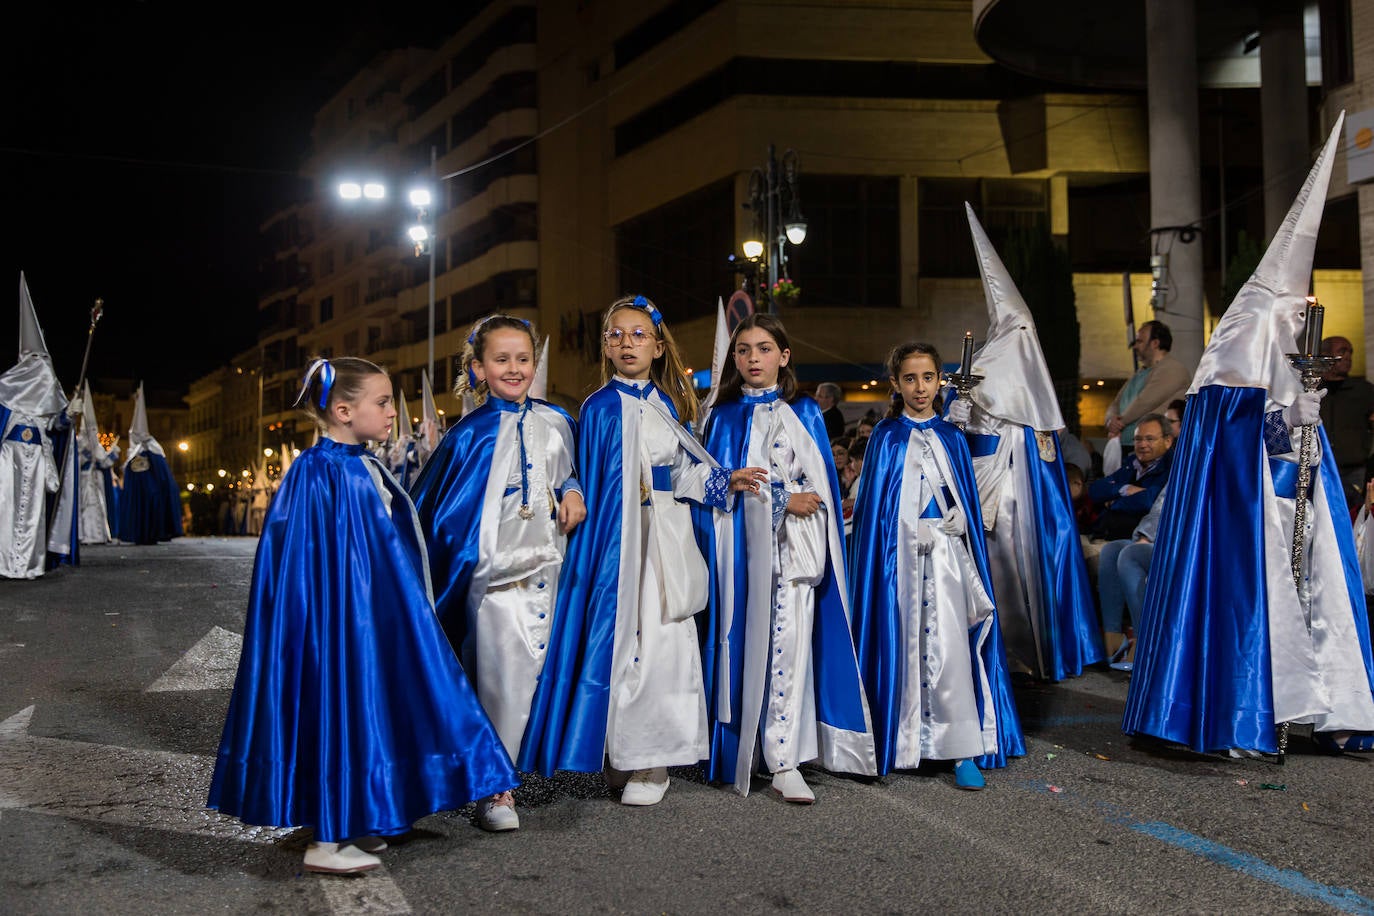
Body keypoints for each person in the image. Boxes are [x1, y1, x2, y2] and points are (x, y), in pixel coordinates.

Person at [209, 357, 518, 874]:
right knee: (340, 705)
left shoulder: (353, 465)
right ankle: (327, 840)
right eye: (382, 402)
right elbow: (315, 564)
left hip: (367, 617)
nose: (392, 412)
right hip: (339, 625)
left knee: (368, 708)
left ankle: (356, 817)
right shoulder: (326, 470)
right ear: (344, 411)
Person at [1124, 119, 1374, 756]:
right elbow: (1226, 428)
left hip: (1299, 496)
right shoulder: (1242, 334)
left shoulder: (1286, 339)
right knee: (1261, 606)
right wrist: (1287, 419)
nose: (1300, 316)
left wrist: (1305, 419)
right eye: (1293, 307)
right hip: (1249, 506)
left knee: (1316, 597)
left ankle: (1326, 711)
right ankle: (1246, 711)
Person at [519, 295, 766, 806]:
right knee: (618, 645)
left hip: (663, 541)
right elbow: (580, 474)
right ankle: (622, 750)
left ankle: (655, 760)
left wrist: (724, 479)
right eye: (616, 335)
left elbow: (681, 472)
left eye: (638, 335)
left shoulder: (667, 406)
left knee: (663, 643)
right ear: (606, 348)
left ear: (657, 346)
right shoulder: (597, 407)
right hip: (615, 545)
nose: (626, 343)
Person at [410, 315, 586, 832]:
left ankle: (527, 763)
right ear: (479, 369)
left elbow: (569, 471)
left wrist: (573, 490)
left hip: (553, 565)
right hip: (492, 577)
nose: (514, 369)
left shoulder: (557, 421)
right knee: (499, 678)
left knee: (540, 674)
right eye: (501, 359)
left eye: (523, 359)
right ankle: (494, 788)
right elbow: (438, 514)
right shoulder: (466, 436)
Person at [701, 313, 876, 803]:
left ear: (784, 355)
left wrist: (794, 500)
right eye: (743, 350)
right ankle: (745, 751)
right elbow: (715, 486)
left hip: (796, 554)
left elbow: (821, 483)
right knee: (743, 649)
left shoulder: (806, 411)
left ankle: (785, 758)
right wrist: (781, 498)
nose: (753, 358)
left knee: (790, 650)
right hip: (743, 558)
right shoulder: (723, 416)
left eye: (763, 348)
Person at [848, 342, 1024, 790]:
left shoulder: (951, 436)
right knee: (903, 642)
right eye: (910, 379)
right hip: (899, 563)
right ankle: (903, 740)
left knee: (950, 646)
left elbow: (961, 492)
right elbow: (875, 511)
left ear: (939, 381)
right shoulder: (886, 436)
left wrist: (961, 515)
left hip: (946, 557)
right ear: (896, 384)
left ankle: (960, 746)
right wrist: (907, 530)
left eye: (927, 377)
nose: (920, 387)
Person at [955, 203, 1105, 681]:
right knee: (997, 568)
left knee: (1031, 569)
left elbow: (1046, 443)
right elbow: (964, 425)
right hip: (991, 486)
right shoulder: (983, 365)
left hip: (1022, 493)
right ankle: (1000, 648)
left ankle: (1039, 649)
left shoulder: (1023, 371)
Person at [0, 273, 66, 579]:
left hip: (37, 455)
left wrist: (68, 414)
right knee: (7, 506)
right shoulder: (7, 386)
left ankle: (28, 564)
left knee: (32, 511)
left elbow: (55, 424)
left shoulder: (47, 388)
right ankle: (6, 562)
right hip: (10, 454)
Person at [1101, 320, 1190, 473]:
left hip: (1152, 452)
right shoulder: (1140, 373)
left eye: (1140, 341)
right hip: (1129, 447)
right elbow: (1115, 403)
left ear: (1155, 343)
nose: (1135, 346)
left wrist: (1119, 422)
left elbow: (1145, 402)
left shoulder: (1173, 369)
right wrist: (1110, 420)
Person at [1096, 486, 1166, 671]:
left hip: (1190, 548)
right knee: (1112, 550)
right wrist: (1145, 536)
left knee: (1131, 554)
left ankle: (1144, 644)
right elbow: (1160, 506)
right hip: (1160, 538)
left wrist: (1147, 536)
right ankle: (1113, 639)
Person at [1087, 414, 1174, 541]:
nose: (1142, 445)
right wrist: (1125, 489)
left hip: (1139, 541)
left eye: (1150, 439)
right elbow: (1095, 490)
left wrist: (1114, 502)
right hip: (1105, 534)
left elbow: (1151, 502)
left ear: (1168, 441)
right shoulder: (1131, 463)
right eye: (1138, 439)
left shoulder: (1174, 469)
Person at [118, 382, 183, 545]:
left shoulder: (153, 449)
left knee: (150, 509)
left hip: (151, 491)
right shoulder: (135, 452)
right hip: (140, 491)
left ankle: (154, 532)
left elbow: (163, 476)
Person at [1318, 335, 1374, 511]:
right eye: (1342, 351)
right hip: (1320, 468)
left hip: (1354, 471)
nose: (1348, 357)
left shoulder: (1364, 390)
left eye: (1350, 352)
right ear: (1325, 355)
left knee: (1354, 515)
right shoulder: (1311, 388)